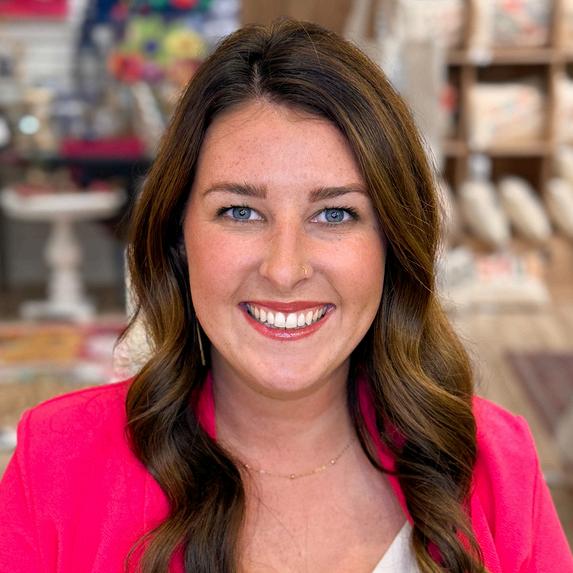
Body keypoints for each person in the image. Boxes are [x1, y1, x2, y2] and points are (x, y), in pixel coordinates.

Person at [0, 18, 571, 573]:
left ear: (392, 243)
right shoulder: (56, 465)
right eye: (241, 212)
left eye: (335, 214)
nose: (284, 269)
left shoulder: (496, 464)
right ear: (179, 236)